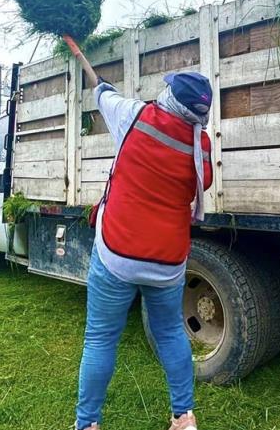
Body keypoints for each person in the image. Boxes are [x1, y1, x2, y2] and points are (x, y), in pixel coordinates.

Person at [75, 67, 213, 430]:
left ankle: (87, 424)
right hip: (168, 262)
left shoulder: (134, 115)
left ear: (172, 97)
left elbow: (104, 96)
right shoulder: (201, 146)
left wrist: (103, 85)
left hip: (116, 253)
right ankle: (184, 417)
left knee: (101, 337)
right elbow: (204, 183)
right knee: (170, 333)